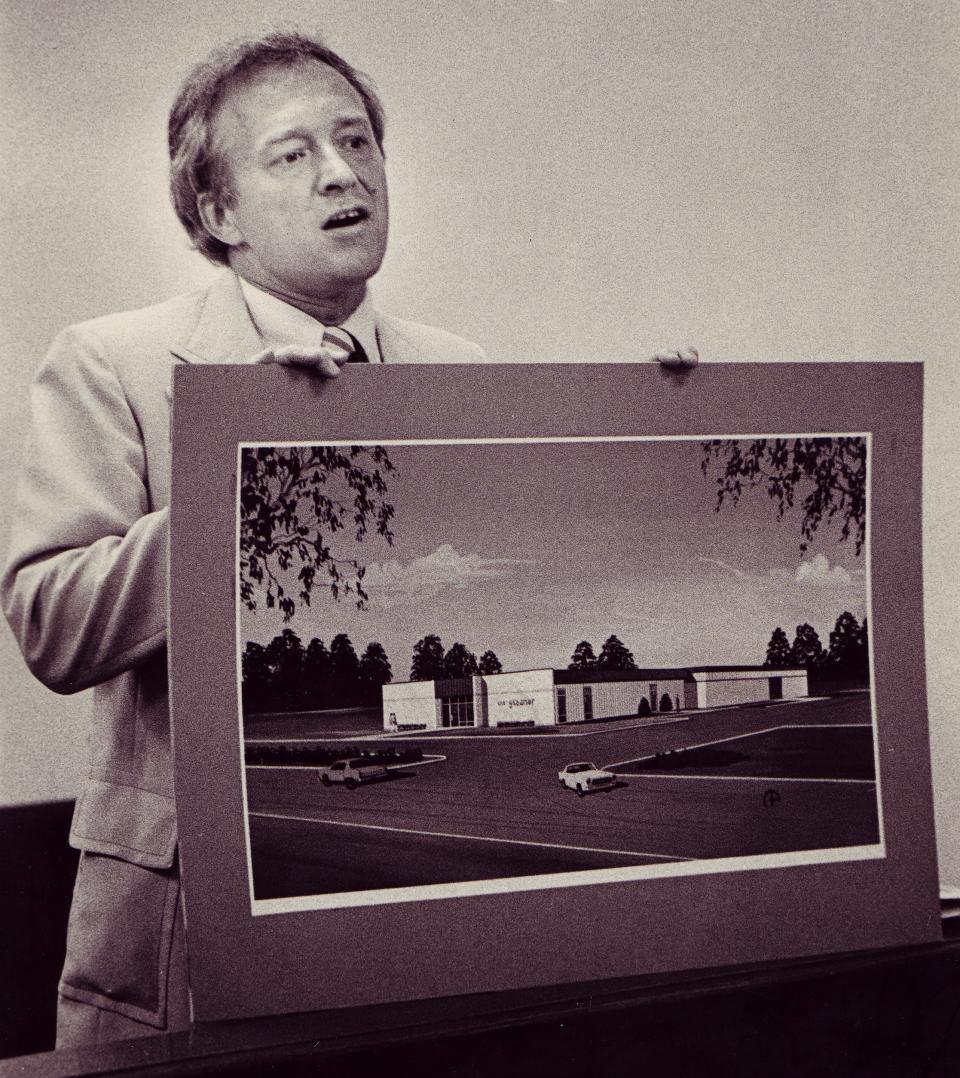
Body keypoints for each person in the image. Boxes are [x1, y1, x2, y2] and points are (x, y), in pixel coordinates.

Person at [2, 30, 697, 1048]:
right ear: (217, 210)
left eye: (359, 141)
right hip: (188, 941)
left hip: (410, 926)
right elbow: (53, 627)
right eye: (294, 154)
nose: (345, 172)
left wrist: (674, 427)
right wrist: (253, 468)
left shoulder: (454, 367)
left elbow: (510, 580)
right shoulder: (114, 361)